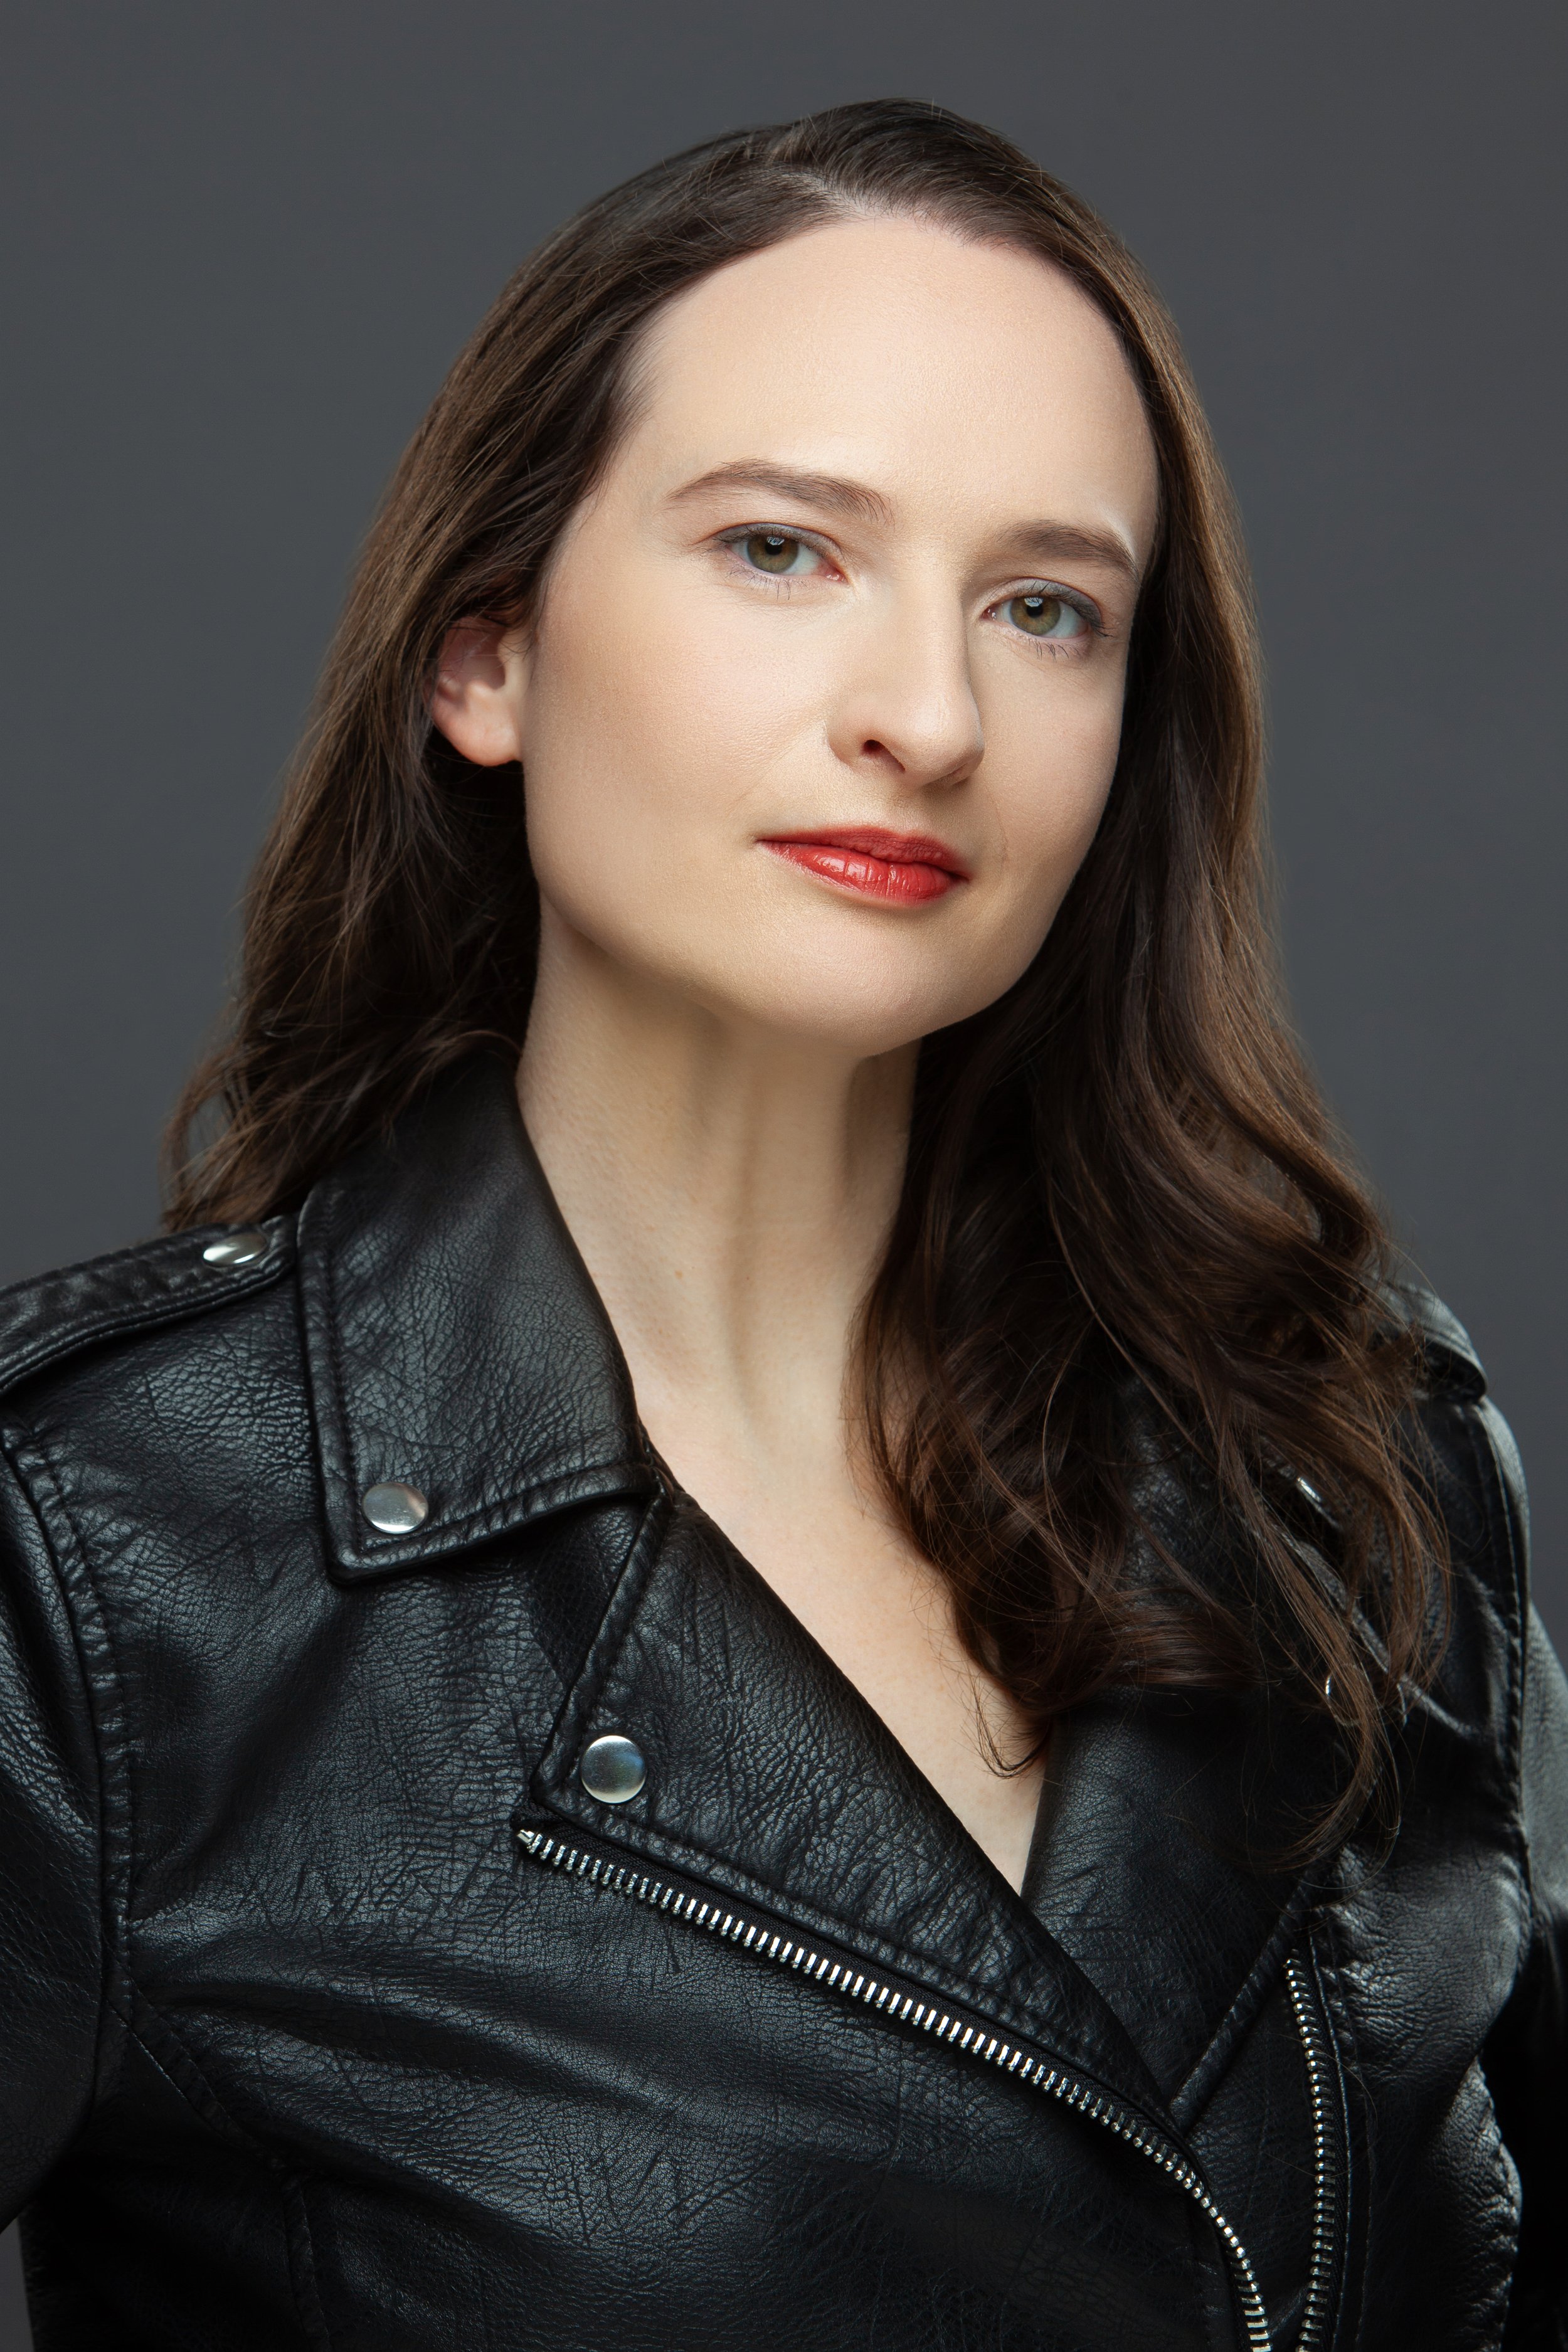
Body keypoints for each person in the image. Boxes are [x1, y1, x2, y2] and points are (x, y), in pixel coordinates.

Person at [0, 98, 1561, 2352]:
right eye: (778, 551)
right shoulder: (98, 1552)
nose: (925, 716)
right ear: (486, 657)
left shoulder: (1349, 1455)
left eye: (1043, 609)